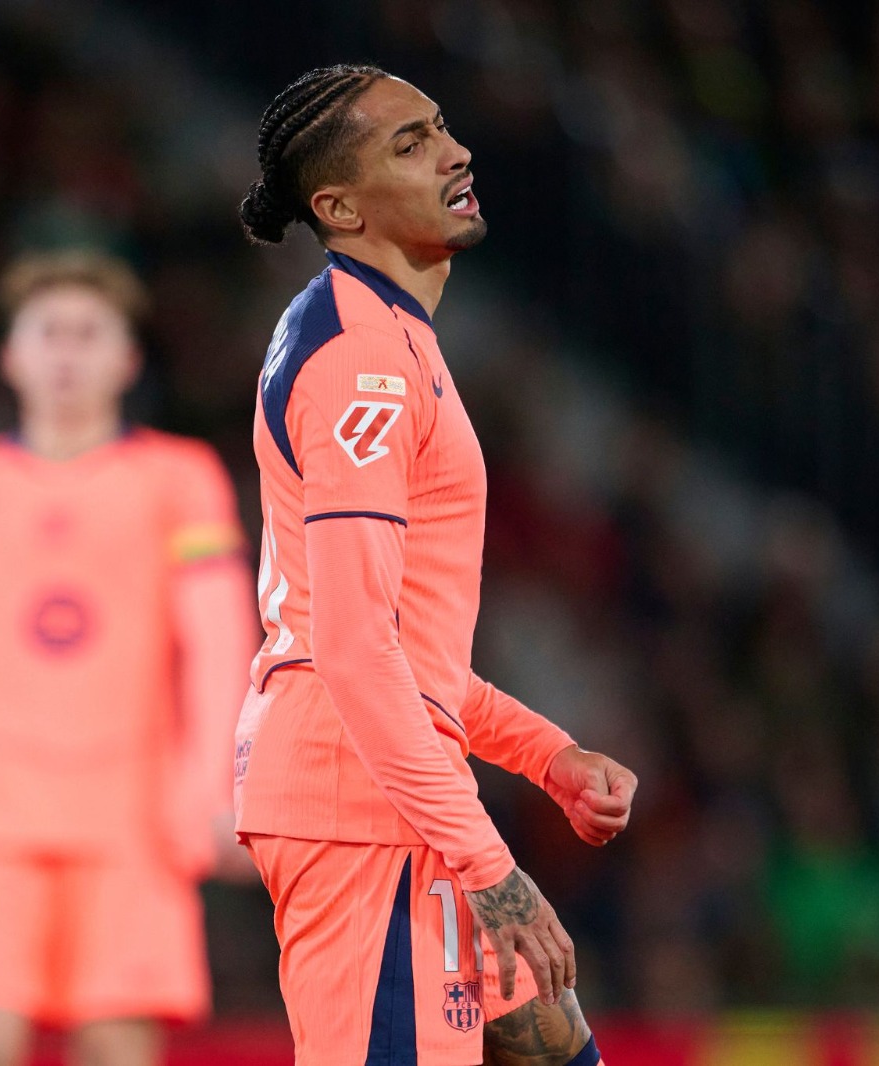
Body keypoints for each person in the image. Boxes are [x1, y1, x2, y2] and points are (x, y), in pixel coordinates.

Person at [233, 64, 638, 1066]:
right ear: (340, 207)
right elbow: (351, 649)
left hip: (395, 790)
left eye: (443, 128)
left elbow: (403, 653)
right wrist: (491, 866)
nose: (455, 153)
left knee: (555, 1051)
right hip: (360, 809)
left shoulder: (381, 335)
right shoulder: (362, 364)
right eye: (409, 145)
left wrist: (546, 754)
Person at [0, 249, 258, 1066]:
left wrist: (220, 786)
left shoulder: (181, 479)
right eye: (49, 333)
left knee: (115, 1051)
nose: (67, 353)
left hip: (133, 827)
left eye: (89, 334)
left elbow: (220, 639)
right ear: (10, 354)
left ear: (127, 359)